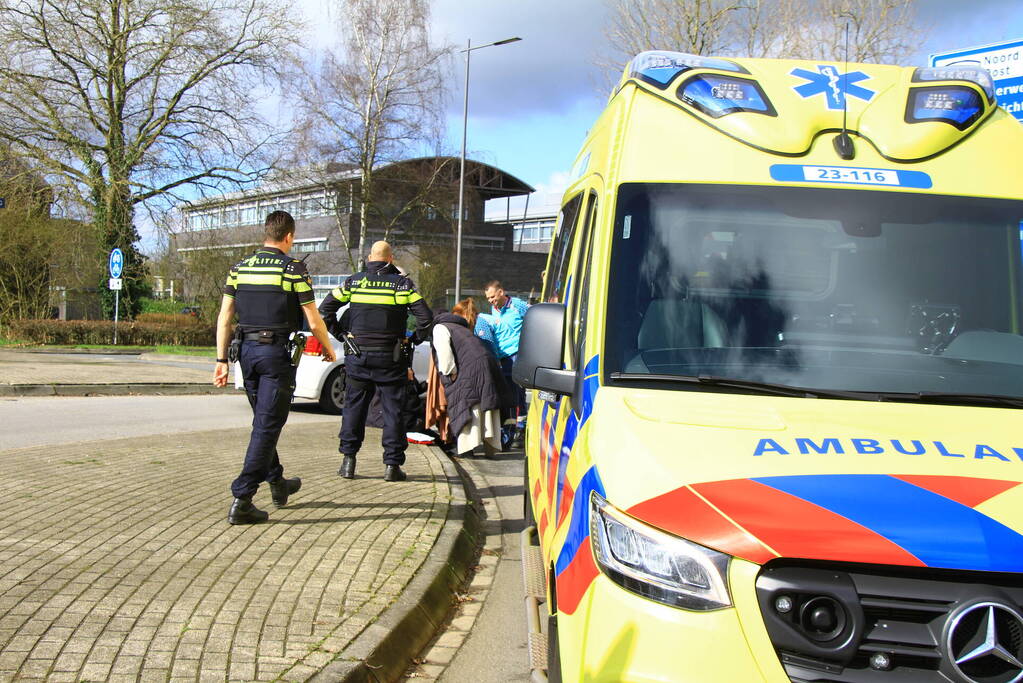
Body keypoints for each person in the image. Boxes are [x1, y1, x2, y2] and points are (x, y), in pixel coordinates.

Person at [213, 210, 336, 525]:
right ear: (289, 237)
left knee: (263, 421)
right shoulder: (293, 270)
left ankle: (278, 483)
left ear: (266, 233)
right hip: (274, 354)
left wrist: (221, 360)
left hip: (246, 354)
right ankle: (243, 498)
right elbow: (313, 318)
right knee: (267, 426)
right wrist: (327, 346)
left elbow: (225, 317)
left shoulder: (238, 268)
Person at [318, 241, 433, 481]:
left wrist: (341, 335)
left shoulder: (354, 281)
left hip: (358, 356)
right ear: (390, 260)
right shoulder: (402, 285)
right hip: (391, 358)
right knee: (393, 410)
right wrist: (412, 340)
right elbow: (426, 318)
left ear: (370, 258)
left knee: (353, 407)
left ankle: (348, 461)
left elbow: (325, 310)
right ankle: (392, 466)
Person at [430, 301, 514, 457]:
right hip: (487, 363)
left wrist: (450, 373)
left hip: (470, 368)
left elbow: (445, 354)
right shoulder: (461, 328)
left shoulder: (439, 327)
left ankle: (467, 448)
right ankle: (491, 446)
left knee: (469, 402)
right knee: (486, 402)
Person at [483, 279, 530, 447]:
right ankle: (514, 429)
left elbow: (533, 319)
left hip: (517, 355)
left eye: (493, 296)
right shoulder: (494, 309)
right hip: (502, 357)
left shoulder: (517, 305)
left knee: (516, 394)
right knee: (509, 396)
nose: (490, 300)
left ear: (501, 292)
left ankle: (520, 429)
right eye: (488, 298)